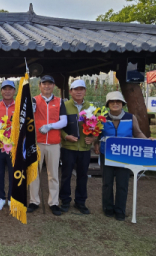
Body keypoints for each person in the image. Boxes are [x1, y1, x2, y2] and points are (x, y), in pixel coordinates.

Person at [94, 91, 148, 221]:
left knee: (122, 183)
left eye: (118, 102)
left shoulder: (130, 117)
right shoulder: (102, 118)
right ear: (108, 104)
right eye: (112, 102)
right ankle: (107, 208)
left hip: (124, 156)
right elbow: (97, 134)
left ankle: (120, 210)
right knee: (107, 183)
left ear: (122, 104)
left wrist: (147, 141)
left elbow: (138, 133)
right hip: (106, 154)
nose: (115, 104)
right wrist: (95, 143)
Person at [28, 75, 67, 216]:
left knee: (53, 174)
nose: (47, 86)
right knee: (34, 174)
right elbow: (28, 119)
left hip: (53, 143)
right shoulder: (34, 100)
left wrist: (50, 126)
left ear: (53, 86)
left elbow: (64, 121)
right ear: (40, 86)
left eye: (50, 84)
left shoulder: (59, 101)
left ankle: (54, 202)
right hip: (37, 142)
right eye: (44, 84)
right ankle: (34, 201)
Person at [59, 79, 94, 215]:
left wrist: (94, 138)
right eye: (76, 89)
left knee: (82, 176)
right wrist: (65, 136)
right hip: (68, 147)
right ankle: (65, 200)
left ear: (85, 91)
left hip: (84, 148)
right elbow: (58, 126)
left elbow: (97, 128)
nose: (79, 92)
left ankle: (80, 202)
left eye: (81, 89)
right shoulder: (64, 106)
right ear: (71, 91)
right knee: (66, 175)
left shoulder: (91, 107)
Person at [0, 80, 15, 210]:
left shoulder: (19, 106)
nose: (7, 91)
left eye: (10, 89)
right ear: (1, 91)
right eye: (4, 89)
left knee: (13, 173)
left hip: (14, 147)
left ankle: (12, 198)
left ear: (14, 91)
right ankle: (0, 198)